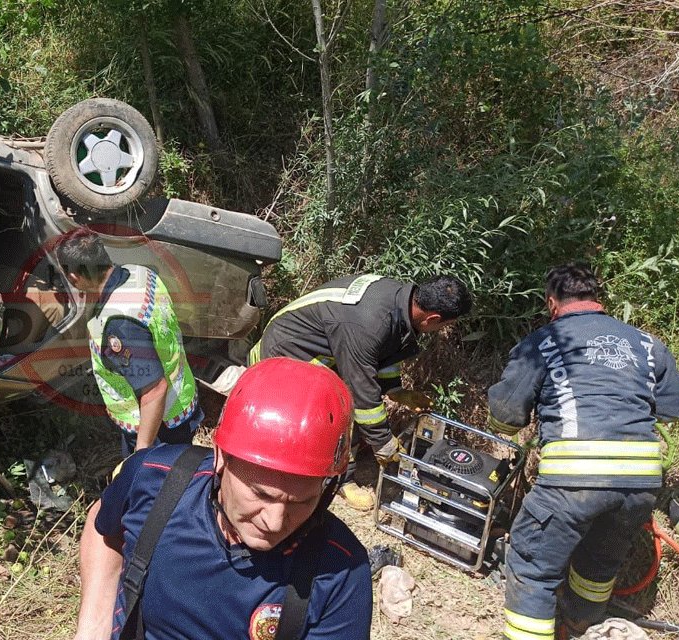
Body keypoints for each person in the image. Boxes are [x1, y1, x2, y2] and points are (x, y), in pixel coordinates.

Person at [73, 358, 372, 640]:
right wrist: (94, 626)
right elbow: (105, 525)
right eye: (260, 494)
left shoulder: (340, 571)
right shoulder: (155, 480)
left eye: (301, 502)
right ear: (219, 458)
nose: (275, 521)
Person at [487, 263, 679, 640]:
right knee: (598, 563)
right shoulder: (647, 344)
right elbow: (676, 408)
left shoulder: (542, 342)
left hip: (571, 482)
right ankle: (580, 625)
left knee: (533, 566)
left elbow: (506, 414)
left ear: (551, 303)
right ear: (599, 299)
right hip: (640, 485)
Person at [250, 273, 472, 510]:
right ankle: (336, 479)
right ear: (432, 318)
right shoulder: (368, 324)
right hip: (288, 351)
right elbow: (363, 397)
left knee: (347, 402)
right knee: (337, 410)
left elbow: (384, 352)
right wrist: (384, 444)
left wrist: (396, 391)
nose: (441, 330)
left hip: (326, 348)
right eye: (445, 325)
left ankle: (338, 469)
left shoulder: (400, 301)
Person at [56, 229, 202, 455]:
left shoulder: (119, 326)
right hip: (180, 400)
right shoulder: (139, 273)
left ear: (75, 277)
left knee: (158, 485)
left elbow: (154, 390)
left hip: (158, 426)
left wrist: (142, 452)